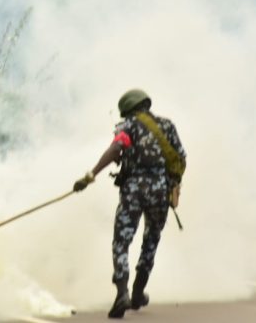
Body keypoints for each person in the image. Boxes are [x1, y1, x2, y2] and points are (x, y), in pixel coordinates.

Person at [73, 89, 186, 318]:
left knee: (121, 242)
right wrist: (172, 185)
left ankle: (122, 293)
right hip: (160, 193)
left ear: (127, 110)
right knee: (151, 240)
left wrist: (90, 176)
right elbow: (181, 157)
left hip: (133, 192)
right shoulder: (167, 126)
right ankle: (138, 292)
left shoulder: (128, 127)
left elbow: (116, 148)